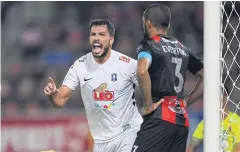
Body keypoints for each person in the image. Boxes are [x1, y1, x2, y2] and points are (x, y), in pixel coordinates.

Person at [44, 19, 143, 152]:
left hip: (129, 133)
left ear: (111, 39)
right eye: (93, 34)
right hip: (100, 141)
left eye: (102, 34)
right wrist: (52, 95)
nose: (96, 38)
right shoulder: (80, 65)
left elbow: (152, 87)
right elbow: (59, 101)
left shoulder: (128, 64)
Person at [131, 4, 203, 152]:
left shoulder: (149, 44)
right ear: (168, 24)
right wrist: (188, 100)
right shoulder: (183, 48)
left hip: (160, 117)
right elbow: (206, 76)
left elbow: (142, 70)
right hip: (181, 121)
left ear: (147, 22)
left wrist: (149, 105)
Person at [187, 86, 240, 152]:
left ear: (225, 99)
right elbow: (191, 146)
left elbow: (238, 148)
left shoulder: (236, 120)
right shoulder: (207, 122)